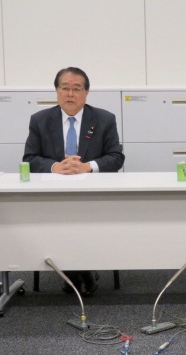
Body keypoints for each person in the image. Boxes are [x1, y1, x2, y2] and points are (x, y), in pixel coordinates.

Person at [23, 67, 125, 296]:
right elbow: (29, 159)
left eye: (76, 89)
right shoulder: (40, 120)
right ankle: (81, 273)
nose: (70, 94)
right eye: (65, 88)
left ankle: (75, 273)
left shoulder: (104, 119)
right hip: (52, 195)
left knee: (80, 221)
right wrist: (55, 167)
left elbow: (116, 157)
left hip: (93, 195)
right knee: (58, 221)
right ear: (57, 91)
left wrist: (87, 166)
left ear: (86, 93)